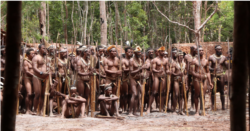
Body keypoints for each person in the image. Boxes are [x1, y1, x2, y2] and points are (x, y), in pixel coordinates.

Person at [191, 47, 213, 116]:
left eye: (202, 50)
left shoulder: (206, 61)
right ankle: (197, 111)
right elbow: (192, 72)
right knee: (197, 95)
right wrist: (198, 76)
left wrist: (210, 82)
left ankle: (203, 111)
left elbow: (208, 72)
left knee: (203, 95)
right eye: (199, 50)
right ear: (196, 52)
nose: (201, 51)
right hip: (197, 79)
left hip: (204, 79)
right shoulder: (194, 61)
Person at [146, 46, 169, 113]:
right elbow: (153, 69)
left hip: (163, 76)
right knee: (154, 92)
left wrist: (168, 71)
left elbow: (167, 69)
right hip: (156, 77)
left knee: (162, 92)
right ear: (158, 52)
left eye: (163, 51)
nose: (163, 52)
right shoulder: (155, 60)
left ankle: (161, 108)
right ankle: (149, 108)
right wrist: (158, 71)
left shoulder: (166, 60)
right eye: (161, 51)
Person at [208, 45, 227, 110]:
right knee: (213, 91)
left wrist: (228, 60)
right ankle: (212, 106)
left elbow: (227, 67)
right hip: (214, 75)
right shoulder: (211, 57)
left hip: (221, 75)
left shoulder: (224, 57)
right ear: (215, 50)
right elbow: (209, 67)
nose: (220, 50)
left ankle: (223, 106)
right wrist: (213, 69)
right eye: (219, 49)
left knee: (222, 90)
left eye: (221, 49)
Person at [32, 44, 49, 115]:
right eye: (43, 48)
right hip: (37, 77)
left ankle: (41, 110)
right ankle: (35, 110)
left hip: (45, 77)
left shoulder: (47, 58)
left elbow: (49, 67)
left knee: (43, 94)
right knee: (38, 94)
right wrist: (41, 72)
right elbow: (34, 68)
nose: (45, 49)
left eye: (45, 48)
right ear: (39, 49)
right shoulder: (36, 57)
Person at [184, 45, 197, 111]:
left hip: (195, 75)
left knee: (194, 90)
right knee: (186, 90)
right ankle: (185, 105)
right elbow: (184, 65)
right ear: (192, 50)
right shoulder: (187, 56)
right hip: (188, 75)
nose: (196, 51)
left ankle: (192, 105)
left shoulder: (197, 57)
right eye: (195, 49)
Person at [120, 46, 133, 113]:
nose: (130, 53)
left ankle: (129, 108)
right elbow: (124, 70)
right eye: (129, 52)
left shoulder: (133, 60)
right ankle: (124, 108)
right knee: (125, 94)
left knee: (130, 94)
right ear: (125, 52)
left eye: (131, 52)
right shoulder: (123, 60)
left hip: (132, 79)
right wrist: (132, 69)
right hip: (125, 79)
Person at [23, 48, 35, 114]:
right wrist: (35, 76)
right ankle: (27, 110)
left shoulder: (34, 61)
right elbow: (27, 71)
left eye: (34, 53)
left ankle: (30, 109)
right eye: (32, 53)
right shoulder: (25, 61)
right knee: (29, 93)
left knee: (32, 94)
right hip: (27, 78)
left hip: (34, 78)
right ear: (28, 54)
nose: (33, 54)